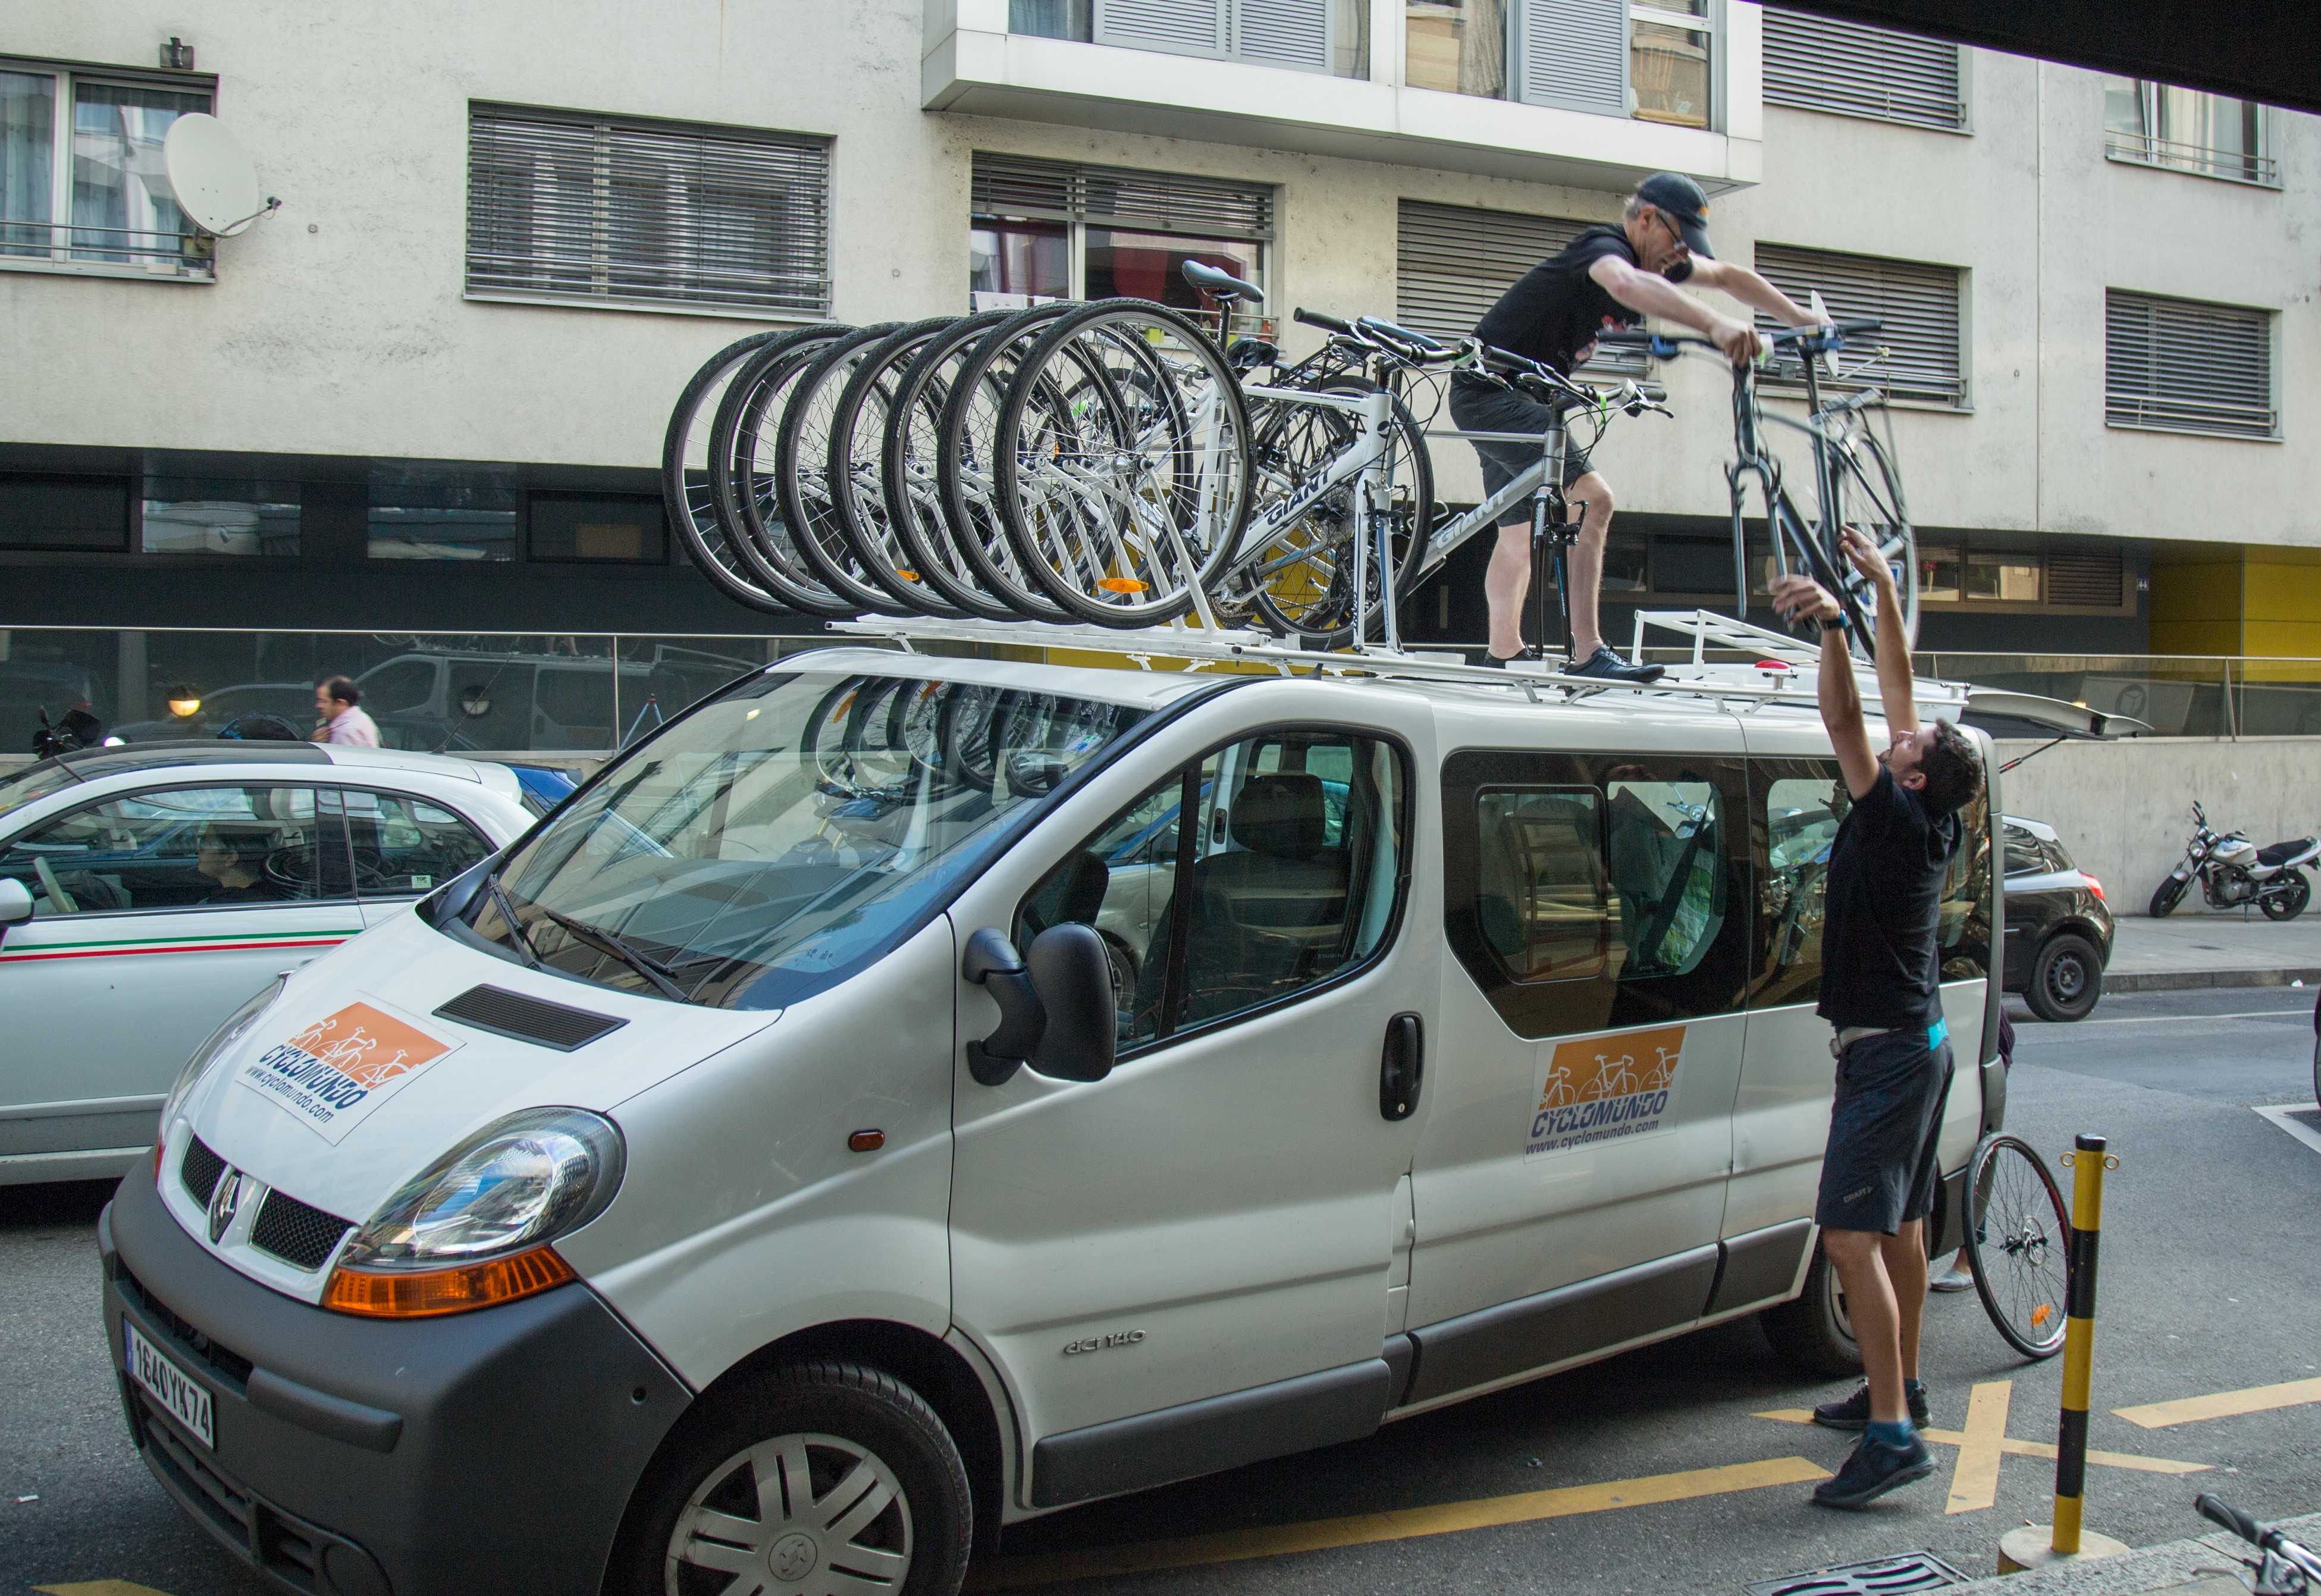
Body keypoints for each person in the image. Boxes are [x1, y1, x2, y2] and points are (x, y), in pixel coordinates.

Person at [1770, 527, 1984, 1510]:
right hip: (1913, 1041)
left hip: (1891, 1053)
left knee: (1847, 1231)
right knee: (1898, 1220)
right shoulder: (1925, 801)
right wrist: (1882, 589)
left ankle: (1895, 1434)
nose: (1915, 724)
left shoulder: (1895, 819)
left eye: (1920, 739)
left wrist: (1825, 627)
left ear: (1910, 776)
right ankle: (1899, 1384)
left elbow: (1847, 709)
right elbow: (1892, 695)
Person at [1450, 172, 1830, 679]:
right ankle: (1588, 653)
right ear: (1646, 218)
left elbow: (1727, 277)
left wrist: (1800, 317)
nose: (1679, 257)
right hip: (1493, 392)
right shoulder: (1604, 249)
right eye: (1676, 242)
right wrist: (1715, 325)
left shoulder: (1660, 260)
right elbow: (1626, 283)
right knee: (1594, 498)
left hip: (1512, 396)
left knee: (1518, 533)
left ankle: (1502, 651)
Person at [195, 825, 275, 905]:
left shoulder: (218, 905)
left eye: (206, 844)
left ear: (230, 858)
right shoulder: (275, 896)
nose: (198, 850)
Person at [313, 676, 380, 747]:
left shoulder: (344, 732)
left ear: (340, 703)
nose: (318, 706)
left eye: (323, 701)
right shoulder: (363, 718)